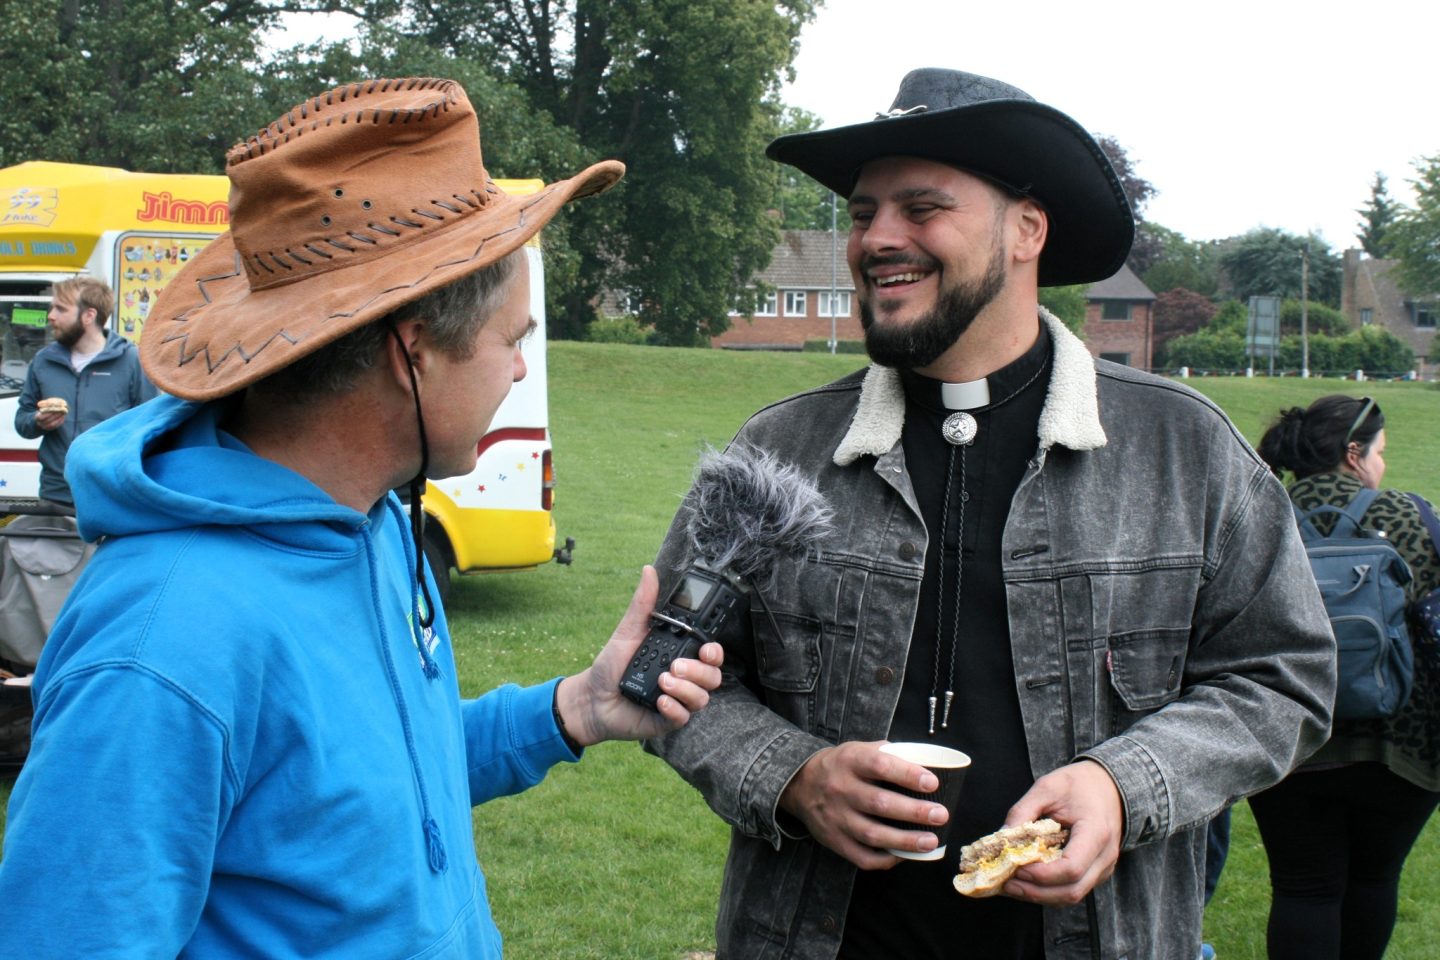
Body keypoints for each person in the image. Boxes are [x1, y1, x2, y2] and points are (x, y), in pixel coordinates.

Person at [0, 77, 723, 958]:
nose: (517, 373)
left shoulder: (371, 522)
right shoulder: (162, 644)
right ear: (412, 348)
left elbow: (370, 780)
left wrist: (574, 709)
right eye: (511, 339)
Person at [647, 67, 1337, 960]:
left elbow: (1282, 679)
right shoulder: (777, 450)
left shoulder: (1187, 452)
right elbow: (666, 671)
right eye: (863, 214)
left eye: (922, 208)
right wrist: (793, 777)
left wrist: (1123, 784)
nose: (875, 240)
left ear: (1026, 230)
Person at [1249, 394, 1440, 960]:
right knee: (1375, 879)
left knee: (1304, 886)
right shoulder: (1412, 515)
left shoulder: (1258, 514)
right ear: (1354, 454)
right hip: (1401, 743)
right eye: (1379, 452)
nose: (1382, 465)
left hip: (1289, 729)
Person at [14, 275, 158, 509]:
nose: (51, 316)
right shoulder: (43, 360)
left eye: (60, 309)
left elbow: (150, 427)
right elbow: (22, 421)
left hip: (110, 494)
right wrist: (37, 421)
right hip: (55, 495)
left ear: (89, 316)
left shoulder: (132, 360)